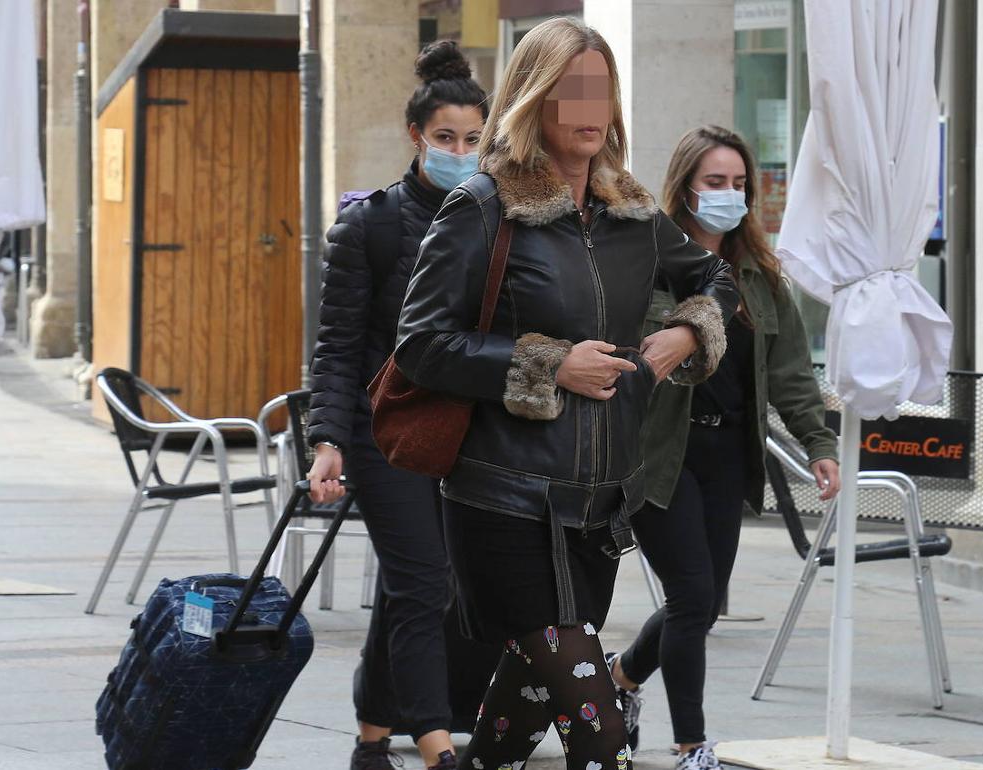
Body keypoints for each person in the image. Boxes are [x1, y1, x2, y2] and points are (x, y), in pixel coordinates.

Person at [388, 18, 738, 770]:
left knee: (511, 731)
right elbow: (419, 341)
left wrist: (686, 333)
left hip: (600, 506)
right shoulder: (485, 204)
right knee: (602, 734)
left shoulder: (634, 213)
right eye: (571, 87)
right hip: (504, 502)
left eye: (601, 87)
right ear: (533, 98)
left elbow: (716, 277)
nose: (589, 105)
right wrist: (550, 365)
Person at [606, 126, 841, 770]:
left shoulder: (761, 278)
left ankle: (620, 682)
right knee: (689, 596)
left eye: (739, 184)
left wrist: (818, 442)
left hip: (729, 458)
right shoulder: (646, 266)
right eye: (715, 182)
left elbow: (792, 373)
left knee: (702, 605)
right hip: (660, 456)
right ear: (684, 187)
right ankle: (691, 746)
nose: (729, 195)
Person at [306, 41, 491, 770]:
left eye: (473, 139)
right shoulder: (370, 225)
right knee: (424, 581)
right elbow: (336, 347)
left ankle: (371, 738)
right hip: (379, 433)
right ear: (416, 135)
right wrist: (327, 440)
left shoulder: (491, 221)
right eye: (446, 137)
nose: (459, 150)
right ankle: (436, 740)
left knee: (410, 583)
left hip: (460, 434)